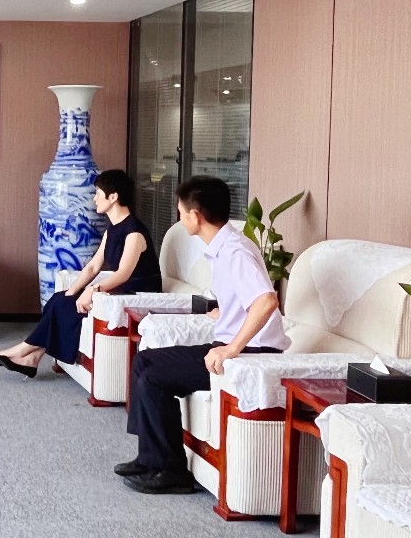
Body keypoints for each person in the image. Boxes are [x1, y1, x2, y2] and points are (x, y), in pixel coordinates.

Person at [118, 175, 289, 494]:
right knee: (144, 360)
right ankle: (149, 457)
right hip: (230, 344)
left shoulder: (235, 250)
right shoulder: (224, 246)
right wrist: (225, 311)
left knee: (153, 379)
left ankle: (171, 471)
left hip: (252, 354)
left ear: (195, 216)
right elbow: (246, 297)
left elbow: (267, 301)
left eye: (181, 212)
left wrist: (232, 349)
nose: (180, 217)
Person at [0, 169, 161, 377]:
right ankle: (32, 358)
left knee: (65, 305)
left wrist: (92, 290)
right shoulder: (113, 229)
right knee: (60, 299)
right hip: (120, 289)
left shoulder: (134, 232)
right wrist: (73, 291)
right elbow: (93, 266)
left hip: (137, 294)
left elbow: (123, 273)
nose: (94, 198)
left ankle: (24, 350)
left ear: (113, 197)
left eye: (98, 193)